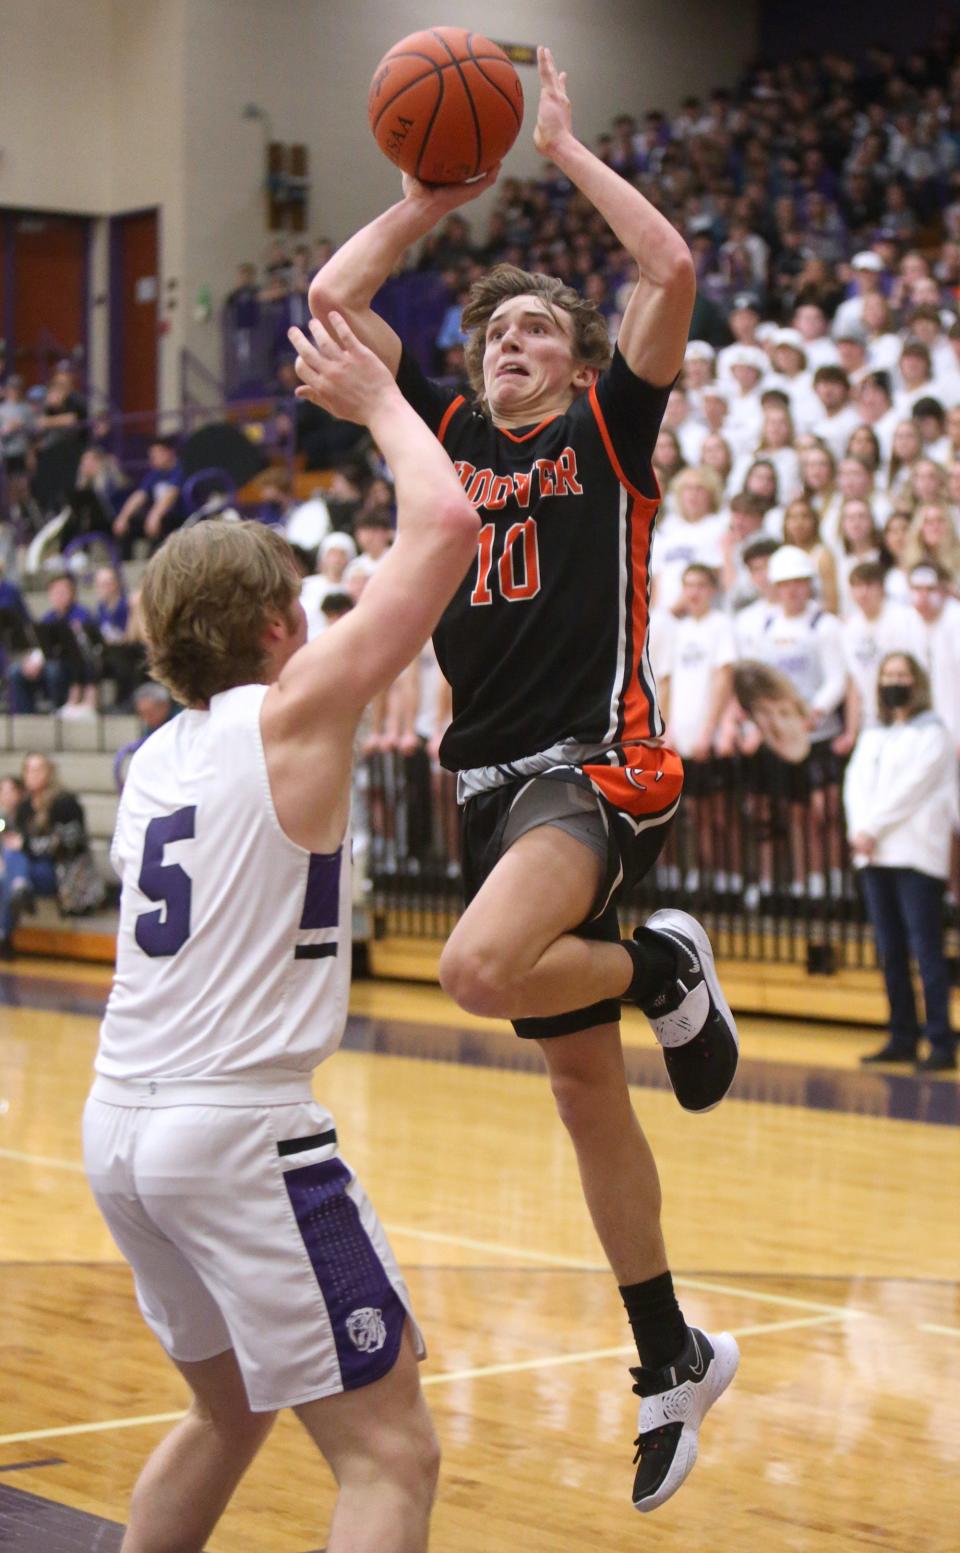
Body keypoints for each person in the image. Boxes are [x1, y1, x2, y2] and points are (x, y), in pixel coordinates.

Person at [301, 45, 739, 1514]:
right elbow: (335, 306)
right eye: (502, 335)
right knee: (585, 1102)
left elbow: (670, 265)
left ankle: (665, 961)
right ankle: (671, 1347)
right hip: (487, 783)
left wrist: (558, 152)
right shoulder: (449, 448)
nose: (517, 346)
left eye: (544, 332)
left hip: (595, 769)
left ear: (574, 361)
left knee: (481, 970)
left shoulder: (612, 430)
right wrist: (430, 198)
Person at [81, 312, 479, 1553]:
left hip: (119, 1126)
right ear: (273, 628)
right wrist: (374, 398)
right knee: (389, 1453)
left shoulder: (153, 759)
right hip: (236, 1129)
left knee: (230, 1409)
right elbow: (449, 528)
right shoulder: (293, 707)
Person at [843, 653, 958, 1071]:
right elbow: (853, 784)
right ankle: (902, 1036)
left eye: (902, 675)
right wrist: (860, 831)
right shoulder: (874, 733)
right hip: (873, 855)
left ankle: (941, 1041)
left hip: (915, 855)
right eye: (889, 675)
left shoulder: (934, 734)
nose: (895, 681)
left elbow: (911, 790)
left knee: (924, 949)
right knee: (890, 951)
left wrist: (870, 828)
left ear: (918, 682)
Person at [0, 752, 102, 953]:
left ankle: (5, 929)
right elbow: (16, 841)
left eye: (38, 769)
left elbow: (68, 843)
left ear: (50, 772)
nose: (33, 774)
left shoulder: (65, 802)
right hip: (32, 869)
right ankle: (18, 891)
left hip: (65, 875)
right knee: (10, 861)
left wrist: (28, 845)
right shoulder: (25, 806)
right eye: (29, 769)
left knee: (12, 865)